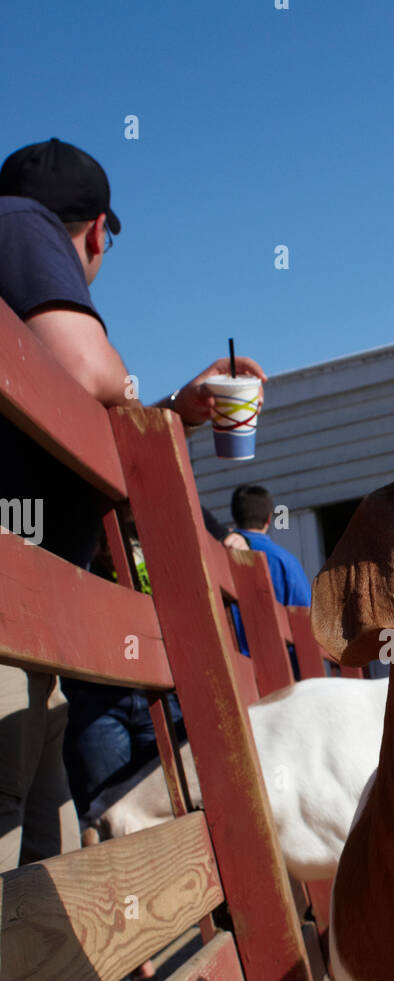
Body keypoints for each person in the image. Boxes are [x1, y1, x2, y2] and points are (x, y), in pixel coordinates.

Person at [0, 137, 266, 870]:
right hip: (13, 604)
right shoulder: (17, 221)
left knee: (42, 803)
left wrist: (172, 413)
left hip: (38, 615)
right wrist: (125, 392)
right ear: (95, 233)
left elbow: (99, 426)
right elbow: (94, 371)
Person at [229, 485, 312, 657]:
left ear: (235, 516)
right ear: (268, 519)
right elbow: (306, 621)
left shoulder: (218, 550)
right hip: (279, 666)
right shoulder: (285, 561)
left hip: (226, 658)